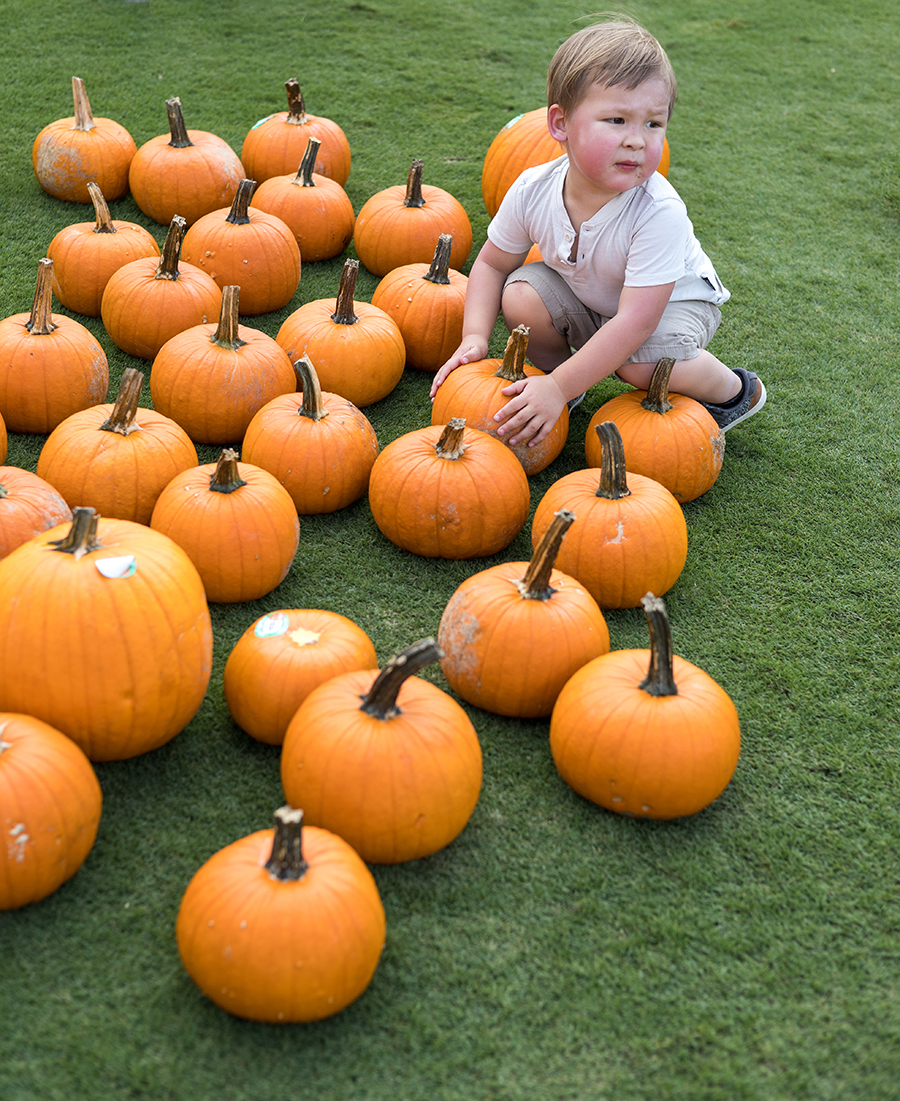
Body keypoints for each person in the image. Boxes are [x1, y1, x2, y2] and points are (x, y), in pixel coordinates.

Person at [429, 17, 766, 447]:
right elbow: (493, 265)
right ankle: (562, 384)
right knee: (520, 295)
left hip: (671, 306)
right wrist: (474, 337)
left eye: (653, 124)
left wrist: (557, 387)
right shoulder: (533, 189)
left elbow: (635, 322)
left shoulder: (658, 212)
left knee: (636, 364)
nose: (637, 140)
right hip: (598, 298)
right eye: (617, 120)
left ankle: (734, 391)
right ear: (560, 124)